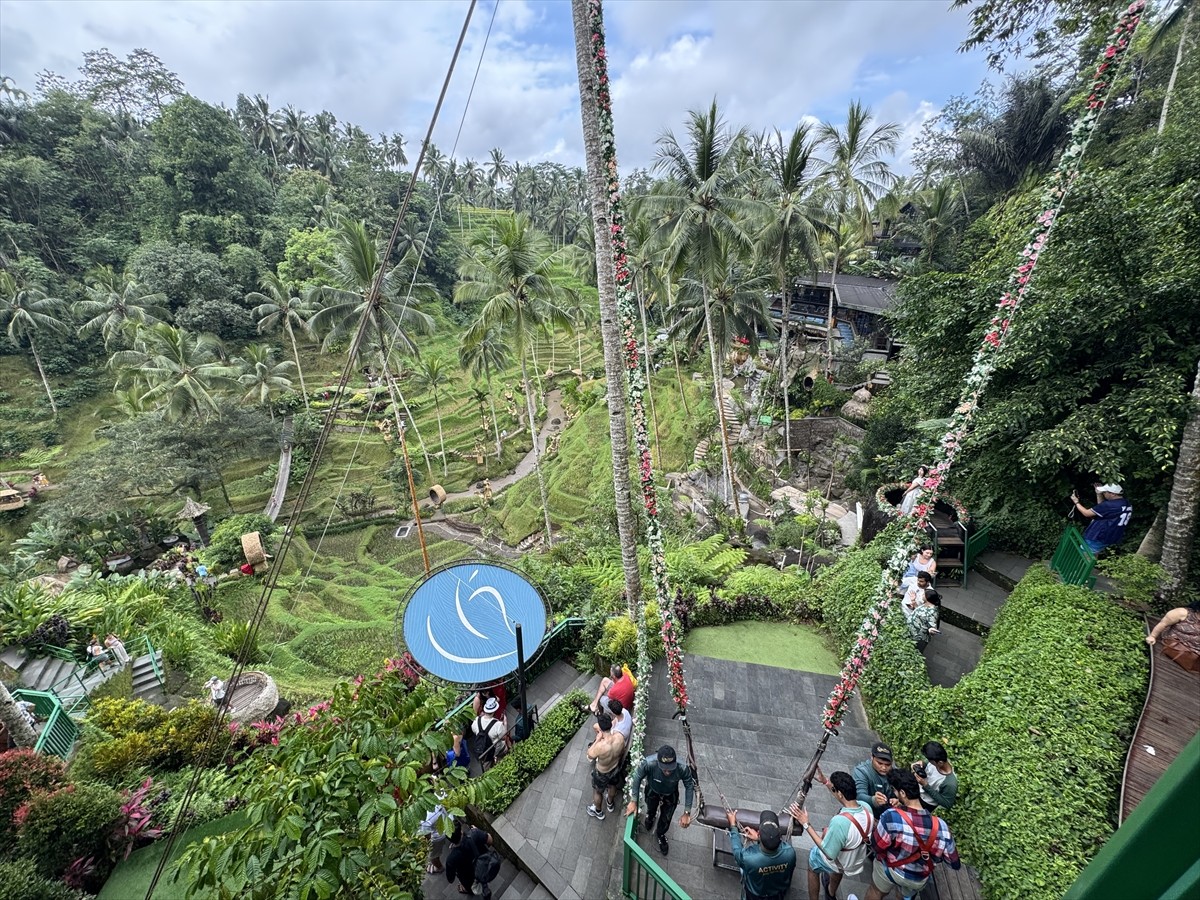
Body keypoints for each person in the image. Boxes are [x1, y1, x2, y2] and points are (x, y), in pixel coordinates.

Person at [865, 770, 960, 899]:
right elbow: (954, 863)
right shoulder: (941, 826)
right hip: (918, 879)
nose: (894, 793)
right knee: (904, 897)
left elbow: (877, 846)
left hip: (890, 870)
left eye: (895, 790)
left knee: (876, 891)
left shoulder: (891, 816)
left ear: (902, 793)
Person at [790, 769, 873, 900]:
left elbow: (829, 853)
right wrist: (826, 782)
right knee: (838, 868)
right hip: (855, 858)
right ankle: (831, 892)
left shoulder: (840, 822)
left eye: (834, 789)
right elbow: (845, 800)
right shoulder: (866, 808)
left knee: (812, 861)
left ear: (840, 793)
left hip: (841, 861)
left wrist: (806, 823)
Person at [625, 744, 695, 855]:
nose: (667, 771)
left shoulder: (682, 767)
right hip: (653, 791)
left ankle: (661, 834)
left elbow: (689, 785)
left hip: (670, 794)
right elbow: (637, 777)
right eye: (664, 768)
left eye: (670, 768)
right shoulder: (649, 763)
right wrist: (634, 800)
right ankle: (650, 817)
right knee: (650, 808)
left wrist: (687, 812)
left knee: (666, 818)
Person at [725, 808, 798, 900]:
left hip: (754, 895)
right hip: (778, 894)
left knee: (743, 868)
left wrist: (733, 826)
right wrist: (760, 839)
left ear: (758, 833)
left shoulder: (749, 858)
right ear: (779, 836)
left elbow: (736, 852)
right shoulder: (790, 853)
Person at [1072, 484, 1133, 554]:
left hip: (1098, 535)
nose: (1103, 494)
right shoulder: (1126, 503)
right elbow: (1102, 509)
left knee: (1086, 556)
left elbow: (1086, 513)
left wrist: (1076, 502)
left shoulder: (1109, 505)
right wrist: (1098, 494)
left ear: (1113, 494)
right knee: (1095, 553)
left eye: (1104, 492)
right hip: (1111, 536)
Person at [586, 712, 625, 819]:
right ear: (611, 724)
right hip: (615, 768)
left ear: (600, 728)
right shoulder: (620, 737)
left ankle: (598, 811)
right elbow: (622, 750)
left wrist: (598, 739)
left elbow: (590, 754)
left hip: (602, 772)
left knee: (598, 792)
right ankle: (610, 803)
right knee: (612, 786)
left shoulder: (600, 746)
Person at [1146, 600, 1200, 673]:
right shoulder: (1183, 613)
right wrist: (1152, 636)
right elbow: (1163, 623)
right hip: (1175, 645)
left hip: (1195, 655)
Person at [444, 822, 491, 895]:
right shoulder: (474, 834)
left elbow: (451, 879)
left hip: (468, 878)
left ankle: (469, 890)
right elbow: (490, 840)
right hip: (484, 864)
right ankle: (485, 886)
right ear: (461, 832)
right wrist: (477, 832)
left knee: (469, 886)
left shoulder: (451, 859)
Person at [853, 743, 896, 820]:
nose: (883, 767)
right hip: (865, 814)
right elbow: (859, 795)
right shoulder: (862, 771)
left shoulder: (893, 772)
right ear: (872, 758)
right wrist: (873, 800)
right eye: (879, 763)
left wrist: (897, 800)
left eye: (888, 765)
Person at [912, 741, 958, 812]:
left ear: (940, 763)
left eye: (930, 761)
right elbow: (927, 763)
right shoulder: (937, 761)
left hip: (926, 803)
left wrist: (926, 786)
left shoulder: (950, 783)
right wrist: (922, 764)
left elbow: (947, 803)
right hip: (916, 790)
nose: (929, 762)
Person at [470, 697, 507, 770]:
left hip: (483, 752)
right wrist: (505, 723)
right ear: (494, 711)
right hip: (496, 750)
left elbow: (474, 730)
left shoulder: (477, 720)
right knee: (504, 749)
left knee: (487, 769)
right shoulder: (498, 724)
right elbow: (503, 737)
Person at [420, 801, 453, 875]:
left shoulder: (423, 820)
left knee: (433, 857)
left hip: (438, 836)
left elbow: (428, 836)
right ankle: (455, 842)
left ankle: (439, 868)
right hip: (450, 823)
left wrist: (429, 847)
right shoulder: (437, 797)